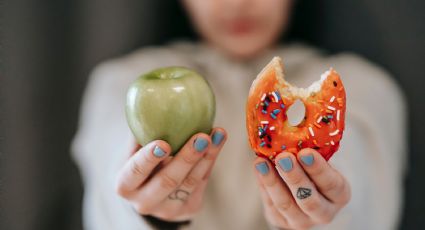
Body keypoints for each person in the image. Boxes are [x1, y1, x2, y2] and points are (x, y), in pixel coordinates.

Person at [71, 0, 407, 229]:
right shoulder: (117, 82)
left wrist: (327, 210)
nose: (237, 3)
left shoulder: (365, 85)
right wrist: (147, 211)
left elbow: (359, 175)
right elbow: (111, 171)